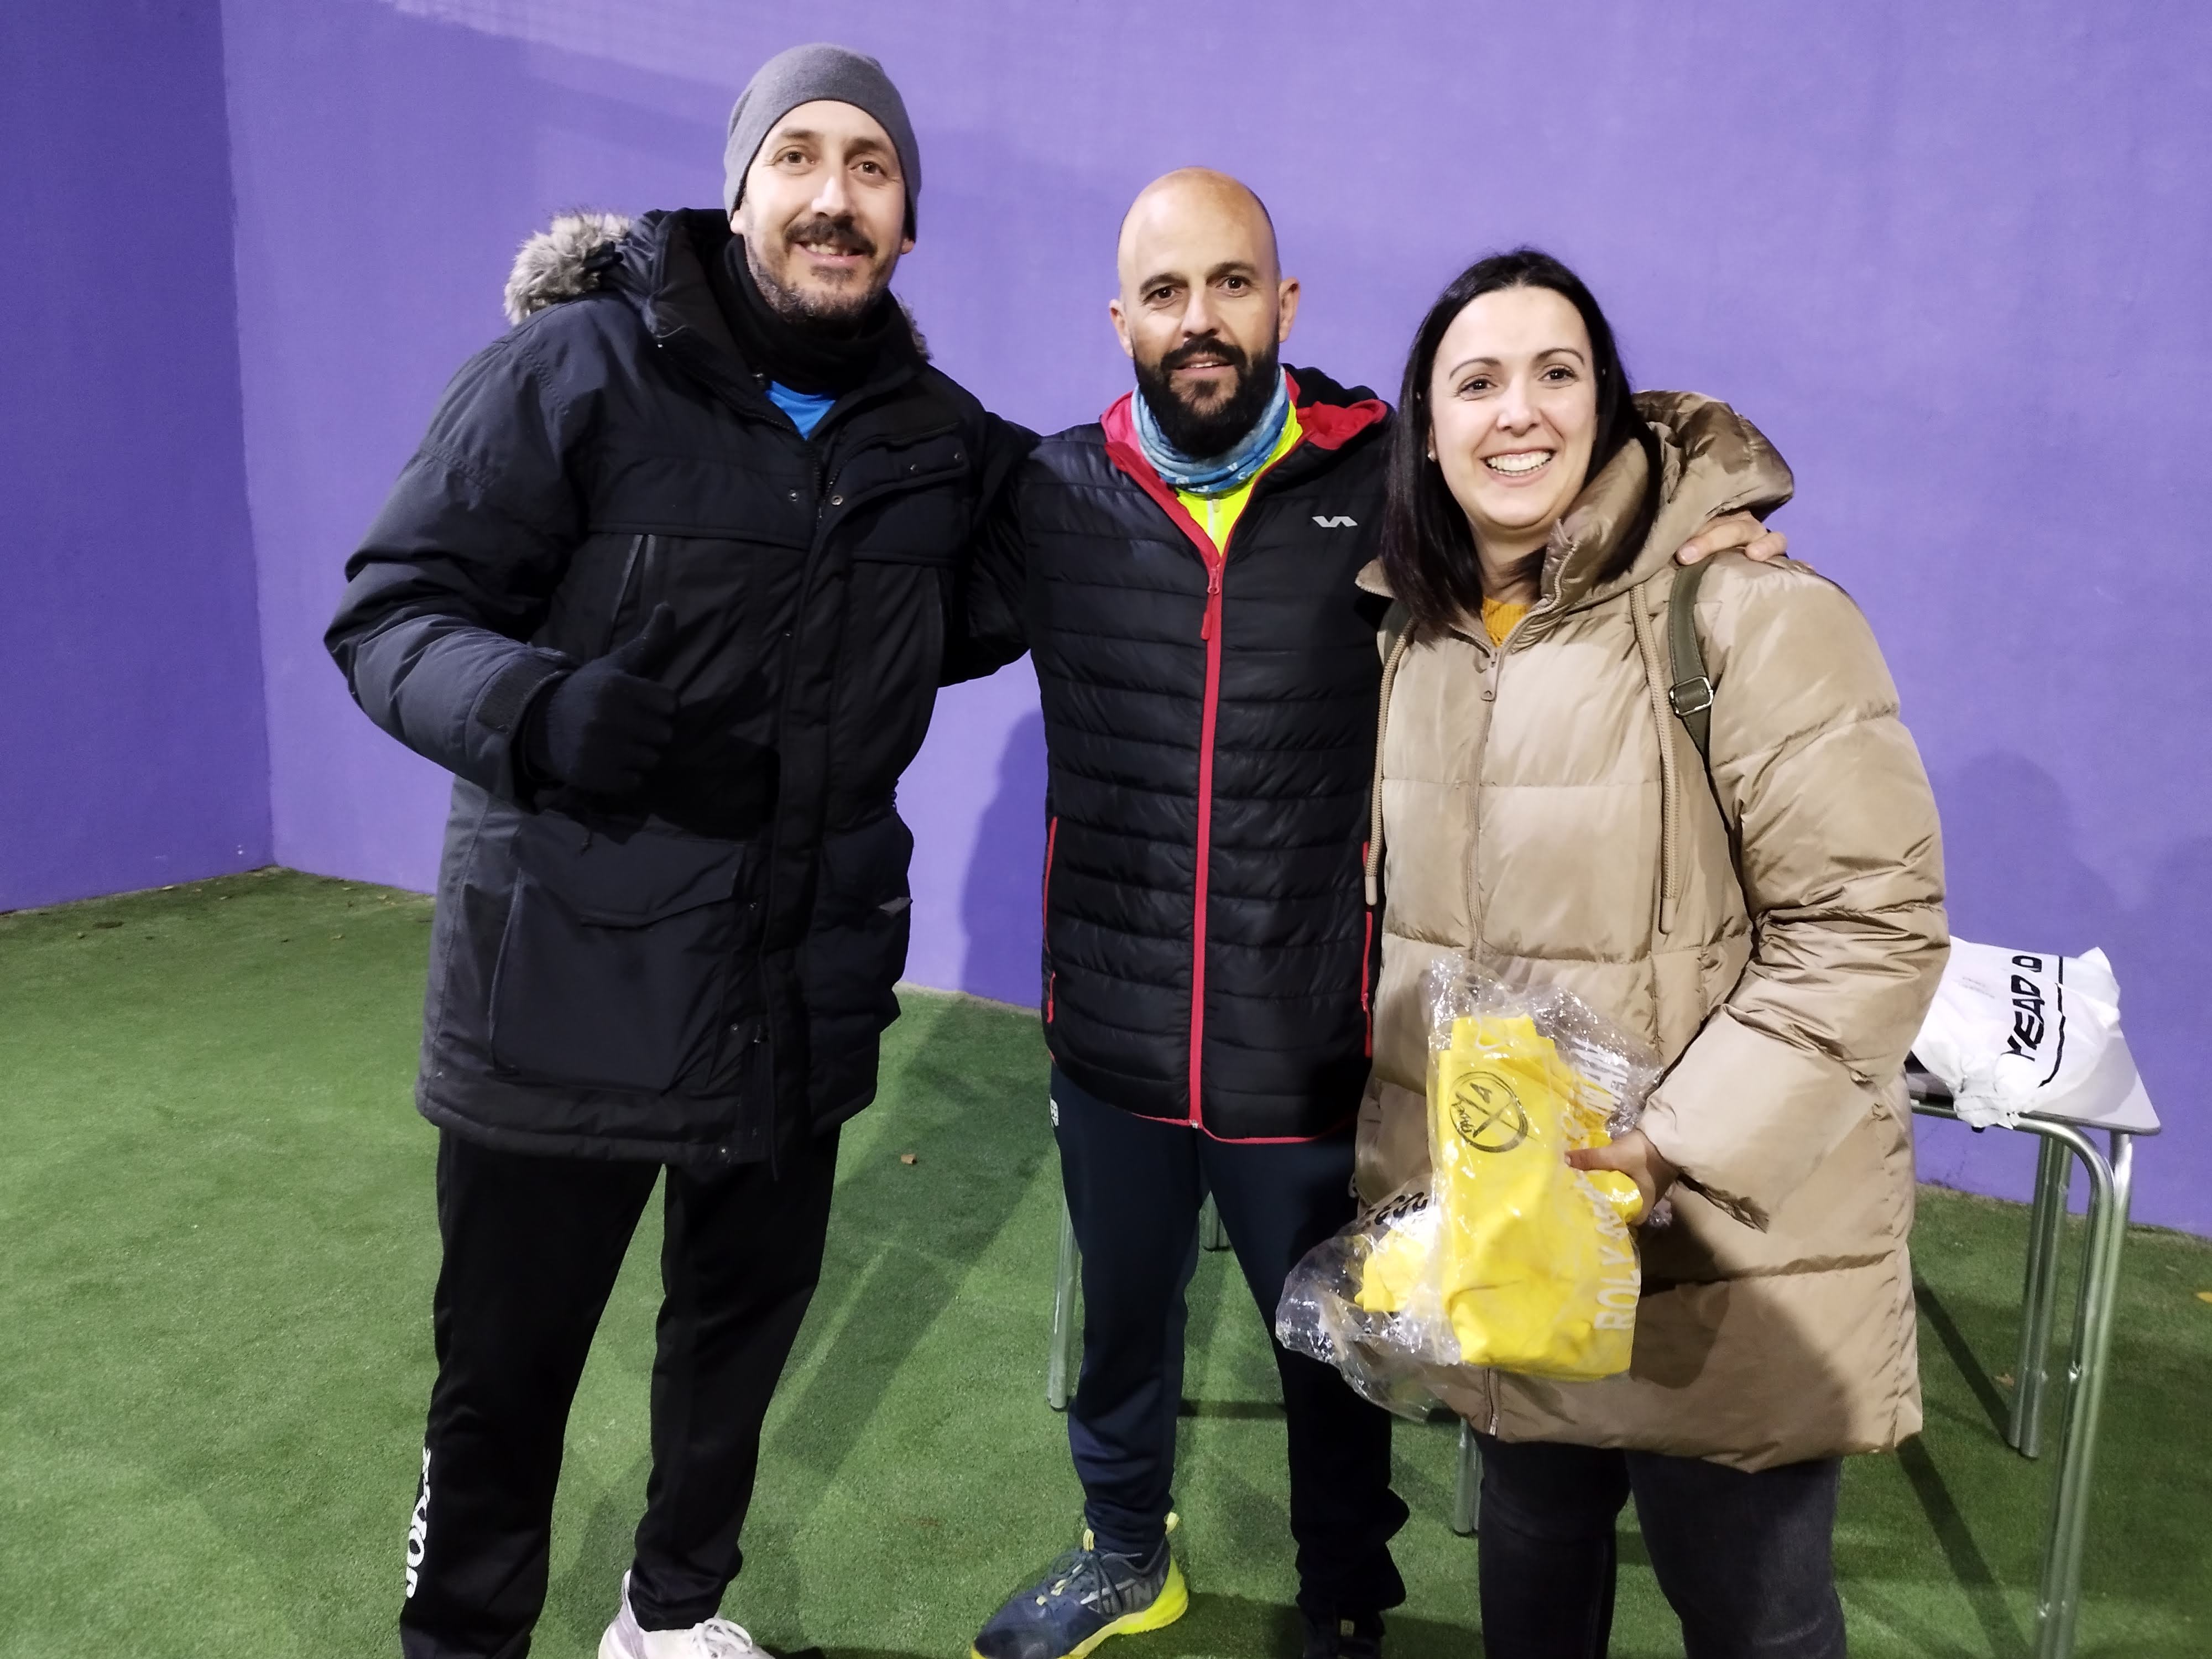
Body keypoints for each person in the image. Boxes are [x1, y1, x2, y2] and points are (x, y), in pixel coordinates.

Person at [951, 174, 1787, 1659]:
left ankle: (1344, 1599)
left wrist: (1704, 527)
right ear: (1119, 319)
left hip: (1313, 1037)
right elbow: (884, 591)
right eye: (1164, 293)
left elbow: (1566, 477)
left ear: (1283, 302)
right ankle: (1122, 1553)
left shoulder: (1386, 477)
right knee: (1122, 1331)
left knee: (1334, 1352)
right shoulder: (1054, 496)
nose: (1198, 320)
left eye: (1230, 284)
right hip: (1117, 1031)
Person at [326, 44, 1029, 1659]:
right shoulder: (573, 369)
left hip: (794, 987)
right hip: (561, 993)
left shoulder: (936, 438)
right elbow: (391, 615)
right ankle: (464, 1639)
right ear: (740, 190)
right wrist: (532, 705)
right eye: (800, 157)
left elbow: (1059, 545)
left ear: (907, 219)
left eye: (871, 166)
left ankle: (670, 1618)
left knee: (732, 1350)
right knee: (504, 1380)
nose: (834, 197)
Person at [1355, 248, 1948, 1658]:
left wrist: (1671, 1148)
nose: (1516, 412)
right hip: (1521, 1238)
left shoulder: (1745, 612)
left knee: (1753, 1618)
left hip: (1713, 1242)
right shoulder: (1419, 640)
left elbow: (1869, 924)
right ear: (1425, 431)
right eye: (1475, 382)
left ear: (1607, 404)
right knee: (1532, 1565)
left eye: (1554, 374)